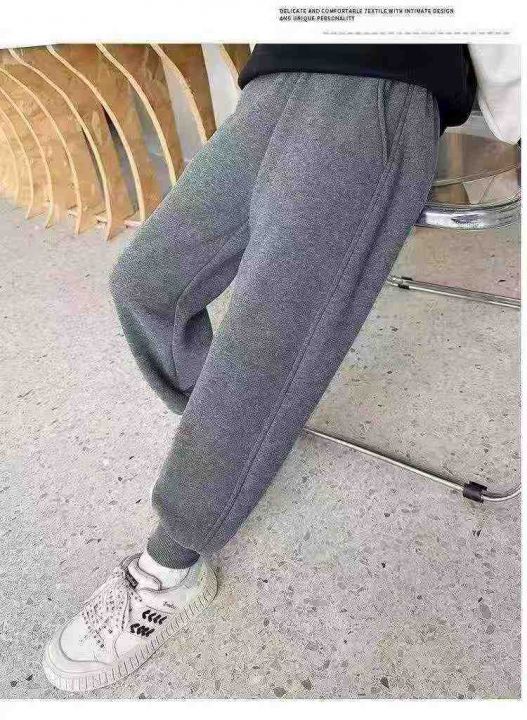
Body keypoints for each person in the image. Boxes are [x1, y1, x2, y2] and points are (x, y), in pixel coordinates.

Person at [42, 44, 518, 692]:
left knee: (260, 350)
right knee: (146, 282)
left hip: (382, 90)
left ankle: (171, 568)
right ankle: (236, 437)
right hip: (275, 79)